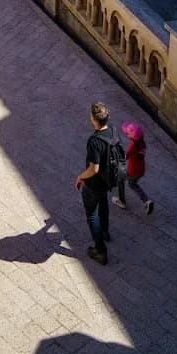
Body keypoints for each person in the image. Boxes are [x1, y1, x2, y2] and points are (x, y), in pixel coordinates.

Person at [75, 100, 117, 266]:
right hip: (107, 181)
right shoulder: (111, 132)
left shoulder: (94, 141)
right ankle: (105, 231)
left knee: (92, 214)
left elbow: (94, 168)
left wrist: (81, 177)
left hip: (94, 183)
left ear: (93, 119)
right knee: (103, 204)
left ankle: (100, 250)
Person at [111, 121, 154, 215]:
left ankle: (122, 201)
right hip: (140, 170)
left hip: (133, 171)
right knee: (133, 184)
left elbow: (125, 157)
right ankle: (147, 201)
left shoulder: (133, 146)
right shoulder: (142, 143)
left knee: (123, 180)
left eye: (128, 134)